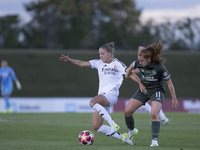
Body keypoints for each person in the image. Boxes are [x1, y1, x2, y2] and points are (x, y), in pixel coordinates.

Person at [60, 42, 145, 145]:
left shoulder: (117, 64)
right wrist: (69, 60)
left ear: (109, 53)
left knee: (92, 102)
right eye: (99, 54)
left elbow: (130, 73)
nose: (100, 56)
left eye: (102, 53)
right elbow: (81, 64)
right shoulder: (98, 63)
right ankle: (124, 138)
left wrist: (140, 83)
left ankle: (113, 124)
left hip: (111, 95)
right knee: (97, 126)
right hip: (102, 98)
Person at [124, 40, 179, 146]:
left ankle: (154, 141)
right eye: (139, 60)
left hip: (156, 92)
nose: (139, 63)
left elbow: (169, 83)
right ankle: (131, 131)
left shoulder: (159, 67)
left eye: (142, 61)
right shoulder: (137, 63)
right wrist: (140, 83)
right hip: (143, 90)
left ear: (149, 59)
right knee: (127, 111)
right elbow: (128, 74)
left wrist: (174, 98)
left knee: (154, 113)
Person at [136, 44, 169, 126]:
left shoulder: (147, 60)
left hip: (150, 85)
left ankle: (161, 118)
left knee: (149, 102)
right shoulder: (140, 59)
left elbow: (140, 69)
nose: (140, 51)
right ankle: (161, 118)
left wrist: (130, 71)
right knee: (148, 103)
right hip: (144, 84)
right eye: (139, 49)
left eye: (141, 49)